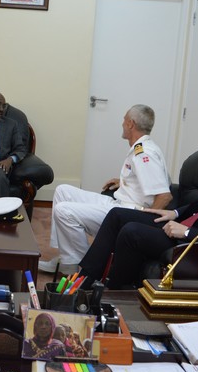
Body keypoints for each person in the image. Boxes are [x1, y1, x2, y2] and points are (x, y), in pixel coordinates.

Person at [78, 109, 198, 289]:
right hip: (185, 225)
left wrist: (187, 232)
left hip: (197, 245)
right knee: (117, 215)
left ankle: (114, 293)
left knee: (132, 232)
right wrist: (175, 212)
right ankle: (83, 281)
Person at [39, 104, 171, 276]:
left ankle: (77, 266)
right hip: (119, 202)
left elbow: (164, 195)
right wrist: (124, 182)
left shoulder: (144, 153)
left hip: (127, 212)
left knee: (64, 210)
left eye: (124, 120)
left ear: (130, 123)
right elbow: (148, 180)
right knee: (63, 191)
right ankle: (65, 255)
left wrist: (146, 223)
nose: (122, 124)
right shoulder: (141, 147)